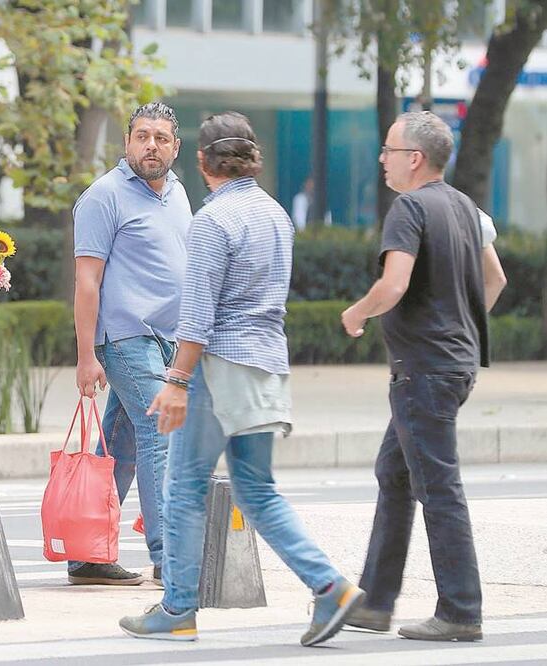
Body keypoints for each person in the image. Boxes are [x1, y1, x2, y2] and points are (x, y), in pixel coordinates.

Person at [120, 112, 362, 646]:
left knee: (183, 487)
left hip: (217, 368)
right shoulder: (276, 215)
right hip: (268, 363)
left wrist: (177, 381)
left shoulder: (212, 220)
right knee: (256, 489)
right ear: (253, 158)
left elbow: (200, 311)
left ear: (202, 161)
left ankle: (178, 608)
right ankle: (330, 588)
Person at [339, 111, 506, 642]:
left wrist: (357, 313)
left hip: (424, 371)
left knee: (438, 487)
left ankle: (460, 610)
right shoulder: (465, 207)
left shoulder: (408, 207)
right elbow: (495, 278)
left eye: (388, 150)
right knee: (395, 474)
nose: (382, 158)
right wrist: (461, 324)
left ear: (414, 158)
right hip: (453, 365)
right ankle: (374, 604)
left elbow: (393, 286)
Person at [72, 101, 192, 586]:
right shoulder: (103, 197)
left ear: (175, 147)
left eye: (161, 138)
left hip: (169, 340)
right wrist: (84, 356)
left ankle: (87, 552)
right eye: (142, 136)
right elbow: (86, 282)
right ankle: (169, 556)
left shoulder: (180, 194)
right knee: (160, 431)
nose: (151, 146)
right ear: (127, 142)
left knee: (119, 447)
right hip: (126, 338)